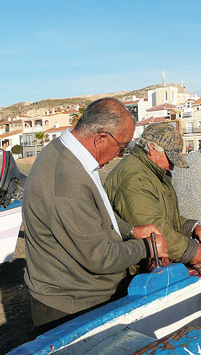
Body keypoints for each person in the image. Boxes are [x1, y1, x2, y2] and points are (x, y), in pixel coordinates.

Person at [22, 98, 169, 334]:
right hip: (72, 306)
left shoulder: (69, 153)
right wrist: (148, 247)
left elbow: (94, 213)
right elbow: (101, 258)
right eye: (121, 146)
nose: (121, 154)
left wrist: (131, 231)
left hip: (76, 295)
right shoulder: (68, 181)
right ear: (101, 137)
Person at [104, 122, 201, 267]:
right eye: (170, 158)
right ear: (151, 148)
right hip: (136, 271)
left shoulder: (150, 171)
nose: (172, 166)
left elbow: (164, 215)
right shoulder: (135, 177)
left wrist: (191, 228)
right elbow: (151, 226)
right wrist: (190, 251)